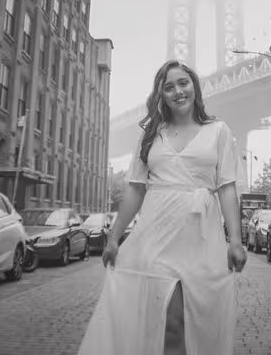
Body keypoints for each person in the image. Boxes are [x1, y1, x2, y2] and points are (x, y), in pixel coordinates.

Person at [78, 60, 247, 355]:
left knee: (195, 319)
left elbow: (227, 189)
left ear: (194, 85)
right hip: (156, 237)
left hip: (201, 239)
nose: (178, 91)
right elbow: (135, 189)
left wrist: (235, 241)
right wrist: (114, 237)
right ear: (161, 95)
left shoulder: (218, 131)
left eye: (183, 83)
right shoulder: (150, 135)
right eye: (169, 87)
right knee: (166, 320)